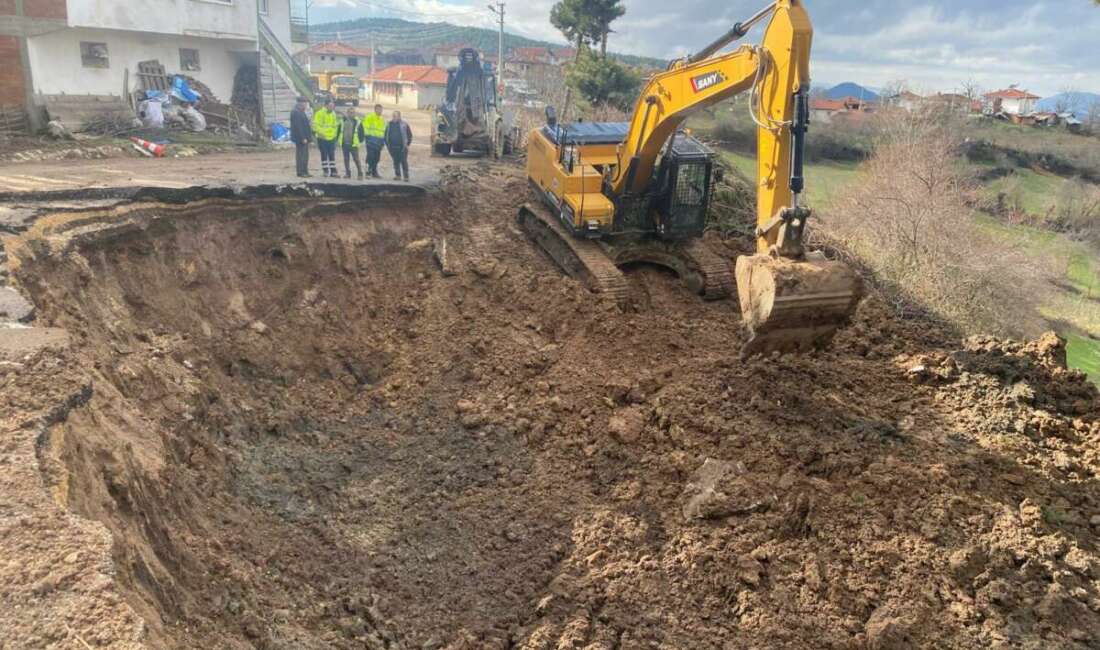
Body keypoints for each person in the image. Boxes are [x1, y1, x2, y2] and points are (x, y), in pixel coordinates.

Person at [312, 98, 340, 177]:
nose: (332, 107)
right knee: (324, 154)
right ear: (325, 105)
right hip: (322, 138)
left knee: (332, 155)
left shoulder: (333, 113)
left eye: (333, 106)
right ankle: (325, 171)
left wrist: (334, 134)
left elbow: (335, 125)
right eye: (330, 106)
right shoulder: (319, 113)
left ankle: (333, 171)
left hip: (331, 138)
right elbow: (316, 126)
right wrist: (323, 134)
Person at [336, 108, 365, 179]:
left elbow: (362, 133)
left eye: (353, 112)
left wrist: (359, 141)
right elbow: (339, 131)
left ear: (355, 113)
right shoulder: (342, 121)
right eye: (350, 112)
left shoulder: (358, 122)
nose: (351, 114)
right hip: (344, 144)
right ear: (347, 113)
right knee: (346, 159)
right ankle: (347, 173)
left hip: (353, 144)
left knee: (356, 159)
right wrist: (338, 140)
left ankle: (360, 173)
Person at [384, 110, 413, 182]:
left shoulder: (404, 124)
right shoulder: (389, 124)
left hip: (402, 147)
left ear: (399, 116)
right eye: (393, 115)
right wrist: (387, 145)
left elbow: (410, 135)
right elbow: (386, 135)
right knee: (395, 161)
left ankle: (406, 177)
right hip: (392, 147)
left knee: (404, 161)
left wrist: (407, 144)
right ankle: (398, 175)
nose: (394, 117)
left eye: (395, 116)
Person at [289, 96, 312, 178]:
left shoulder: (301, 111)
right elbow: (298, 127)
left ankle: (305, 171)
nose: (306, 105)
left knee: (305, 155)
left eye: (306, 103)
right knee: (301, 155)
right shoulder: (296, 112)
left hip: (305, 137)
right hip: (300, 138)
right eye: (304, 103)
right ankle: (301, 172)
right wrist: (303, 138)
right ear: (300, 103)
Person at [362, 103, 386, 179]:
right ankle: (368, 172)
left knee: (376, 158)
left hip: (378, 142)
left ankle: (374, 172)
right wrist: (368, 139)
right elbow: (365, 128)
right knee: (370, 158)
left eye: (381, 110)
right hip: (371, 142)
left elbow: (383, 131)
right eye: (378, 109)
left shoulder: (382, 119)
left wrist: (382, 142)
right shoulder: (369, 117)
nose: (380, 111)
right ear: (375, 109)